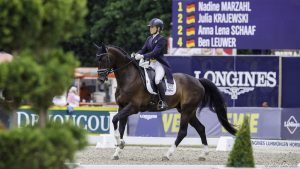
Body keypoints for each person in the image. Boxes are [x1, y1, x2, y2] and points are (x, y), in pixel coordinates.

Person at [132, 18, 173, 110]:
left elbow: (155, 53)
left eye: (152, 27)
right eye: (150, 27)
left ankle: (163, 102)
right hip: (150, 63)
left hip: (159, 64)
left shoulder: (162, 39)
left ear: (158, 29)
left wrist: (142, 56)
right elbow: (143, 49)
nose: (150, 28)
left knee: (157, 80)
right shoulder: (149, 39)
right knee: (143, 78)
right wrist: (137, 54)